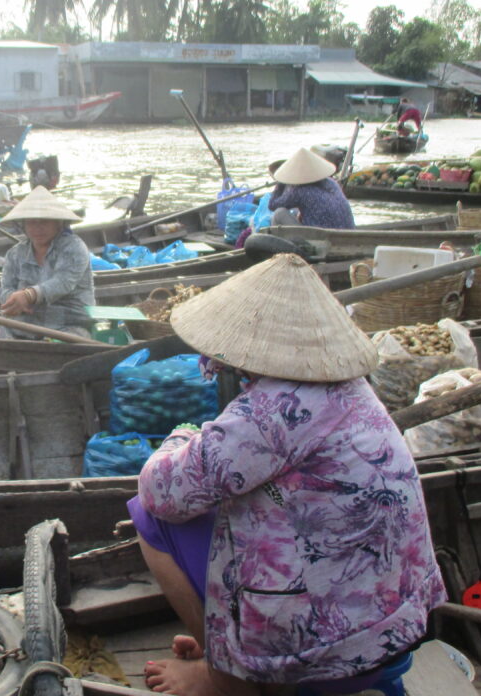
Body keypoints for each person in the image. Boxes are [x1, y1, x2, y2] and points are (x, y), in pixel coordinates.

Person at [131, 253, 447, 696]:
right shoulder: (351, 389)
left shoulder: (271, 411)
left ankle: (224, 677)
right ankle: (223, 652)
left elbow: (160, 490)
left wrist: (180, 437)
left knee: (148, 517)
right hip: (398, 618)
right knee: (234, 499)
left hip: (327, 646)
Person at [0, 186, 94, 339]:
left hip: (68, 323)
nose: (38, 228)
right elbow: (5, 287)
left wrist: (29, 295)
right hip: (25, 321)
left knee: (73, 340)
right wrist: (14, 300)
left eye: (44, 222)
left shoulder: (74, 247)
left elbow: (63, 283)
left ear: (58, 223)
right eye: (32, 223)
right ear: (24, 225)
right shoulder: (16, 253)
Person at [268, 147, 355, 229]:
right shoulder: (332, 183)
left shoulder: (300, 191)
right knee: (296, 212)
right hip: (346, 232)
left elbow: (272, 205)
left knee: (279, 213)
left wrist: (281, 181)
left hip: (321, 236)